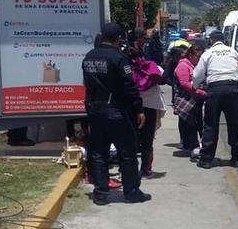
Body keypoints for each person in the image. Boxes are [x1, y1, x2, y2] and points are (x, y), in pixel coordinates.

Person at [82, 22, 151, 205]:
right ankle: (131, 192)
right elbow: (129, 86)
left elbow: (87, 85)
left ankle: (100, 193)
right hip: (117, 112)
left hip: (95, 111)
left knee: (98, 152)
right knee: (127, 152)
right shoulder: (118, 57)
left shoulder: (89, 57)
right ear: (118, 38)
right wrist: (139, 109)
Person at [192, 30, 238, 169]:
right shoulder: (233, 52)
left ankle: (206, 160)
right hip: (232, 88)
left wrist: (194, 86)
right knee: (235, 124)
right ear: (223, 40)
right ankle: (237, 158)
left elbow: (197, 75)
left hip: (215, 89)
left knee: (211, 124)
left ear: (211, 40)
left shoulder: (208, 53)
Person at [126, 45, 165, 178]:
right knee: (148, 140)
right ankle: (146, 169)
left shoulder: (124, 68)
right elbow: (163, 77)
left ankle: (128, 168)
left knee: (130, 139)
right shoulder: (152, 66)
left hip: (132, 107)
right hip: (151, 106)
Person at [173, 40, 207, 158]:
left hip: (195, 99)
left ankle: (196, 147)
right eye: (198, 57)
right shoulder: (183, 65)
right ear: (191, 55)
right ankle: (193, 147)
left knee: (197, 123)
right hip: (186, 100)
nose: (199, 60)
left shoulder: (192, 65)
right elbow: (185, 84)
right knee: (190, 124)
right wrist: (200, 92)